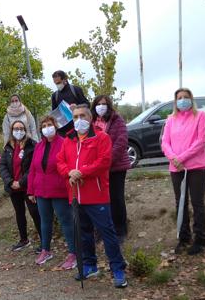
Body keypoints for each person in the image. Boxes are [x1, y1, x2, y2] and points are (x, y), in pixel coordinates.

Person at [57, 105, 128, 288]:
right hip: (75, 195)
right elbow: (60, 161)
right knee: (84, 234)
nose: (78, 119)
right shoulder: (68, 139)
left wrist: (82, 172)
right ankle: (90, 265)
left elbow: (104, 162)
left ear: (90, 118)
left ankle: (118, 269)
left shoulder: (101, 137)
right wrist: (69, 172)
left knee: (107, 233)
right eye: (75, 116)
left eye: (82, 115)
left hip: (96, 195)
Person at [161, 88, 205, 255]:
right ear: (175, 102)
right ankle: (183, 237)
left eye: (186, 97)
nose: (183, 100)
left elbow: (201, 140)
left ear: (191, 99)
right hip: (176, 168)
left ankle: (200, 239)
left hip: (196, 166)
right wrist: (174, 158)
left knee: (197, 202)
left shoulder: (200, 116)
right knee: (180, 202)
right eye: (179, 98)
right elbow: (165, 142)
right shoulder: (170, 119)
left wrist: (181, 158)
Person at [27, 116, 76, 268]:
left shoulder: (63, 143)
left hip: (59, 189)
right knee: (45, 221)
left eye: (50, 125)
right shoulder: (39, 146)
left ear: (55, 126)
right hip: (41, 190)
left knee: (66, 221)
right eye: (44, 125)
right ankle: (46, 250)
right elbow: (33, 169)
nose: (47, 128)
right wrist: (31, 190)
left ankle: (73, 253)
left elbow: (68, 164)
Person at [91, 95, 130, 241]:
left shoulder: (116, 120)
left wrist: (105, 161)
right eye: (98, 104)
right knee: (100, 200)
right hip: (97, 169)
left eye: (104, 104)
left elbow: (121, 142)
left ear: (109, 105)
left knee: (116, 198)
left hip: (116, 167)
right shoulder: (91, 122)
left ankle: (120, 230)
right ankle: (103, 229)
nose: (101, 106)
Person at [0, 120, 41, 252]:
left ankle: (44, 240)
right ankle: (24, 239)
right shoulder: (8, 147)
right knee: (19, 213)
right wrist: (10, 182)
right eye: (16, 129)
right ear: (11, 131)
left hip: (28, 186)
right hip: (13, 187)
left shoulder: (32, 145)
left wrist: (21, 182)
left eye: (21, 128)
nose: (19, 131)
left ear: (25, 129)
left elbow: (34, 167)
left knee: (35, 213)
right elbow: (2, 166)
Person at [51, 70, 90, 136]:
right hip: (63, 131)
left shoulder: (76, 89)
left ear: (65, 80)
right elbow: (54, 113)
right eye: (55, 83)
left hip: (79, 127)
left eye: (59, 82)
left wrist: (77, 107)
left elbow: (87, 105)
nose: (57, 85)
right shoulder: (55, 95)